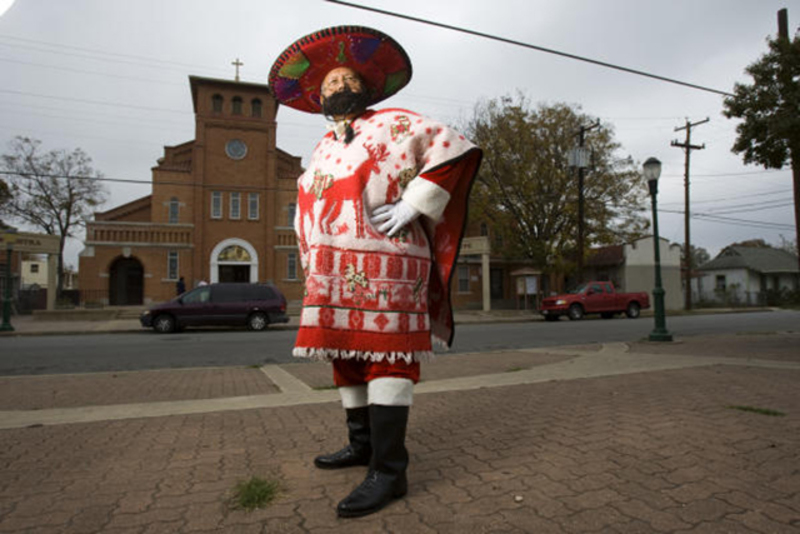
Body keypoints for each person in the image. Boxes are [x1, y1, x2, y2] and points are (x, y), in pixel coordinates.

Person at [269, 25, 482, 518]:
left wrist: (416, 202)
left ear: (365, 84)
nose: (336, 88)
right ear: (318, 99)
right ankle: (361, 445)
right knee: (344, 354)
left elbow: (452, 148)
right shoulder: (323, 145)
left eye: (345, 79)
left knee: (388, 354)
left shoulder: (396, 123)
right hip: (331, 271)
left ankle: (390, 470)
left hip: (389, 262)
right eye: (327, 85)